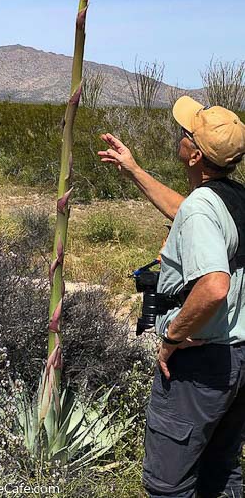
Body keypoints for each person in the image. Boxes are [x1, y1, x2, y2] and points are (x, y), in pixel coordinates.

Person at [98, 95, 245, 498]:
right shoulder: (232, 199)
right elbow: (184, 209)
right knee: (221, 471)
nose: (180, 135)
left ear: (195, 154)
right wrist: (134, 170)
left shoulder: (203, 209)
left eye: (186, 133)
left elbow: (215, 285)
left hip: (201, 363)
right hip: (237, 357)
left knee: (168, 486)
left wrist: (173, 337)